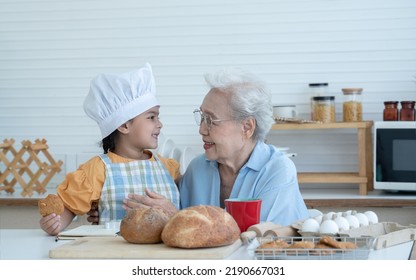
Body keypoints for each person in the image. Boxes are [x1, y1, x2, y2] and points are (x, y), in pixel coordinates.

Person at [120, 66, 309, 227]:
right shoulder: (197, 169)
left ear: (247, 127)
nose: (202, 129)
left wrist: (175, 218)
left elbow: (259, 242)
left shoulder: (277, 171)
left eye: (210, 120)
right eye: (201, 117)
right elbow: (174, 223)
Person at [39, 63, 180, 236]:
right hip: (114, 252)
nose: (160, 124)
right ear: (124, 125)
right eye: (151, 117)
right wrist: (55, 224)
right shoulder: (97, 170)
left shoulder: (169, 168)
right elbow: (68, 207)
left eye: (158, 116)